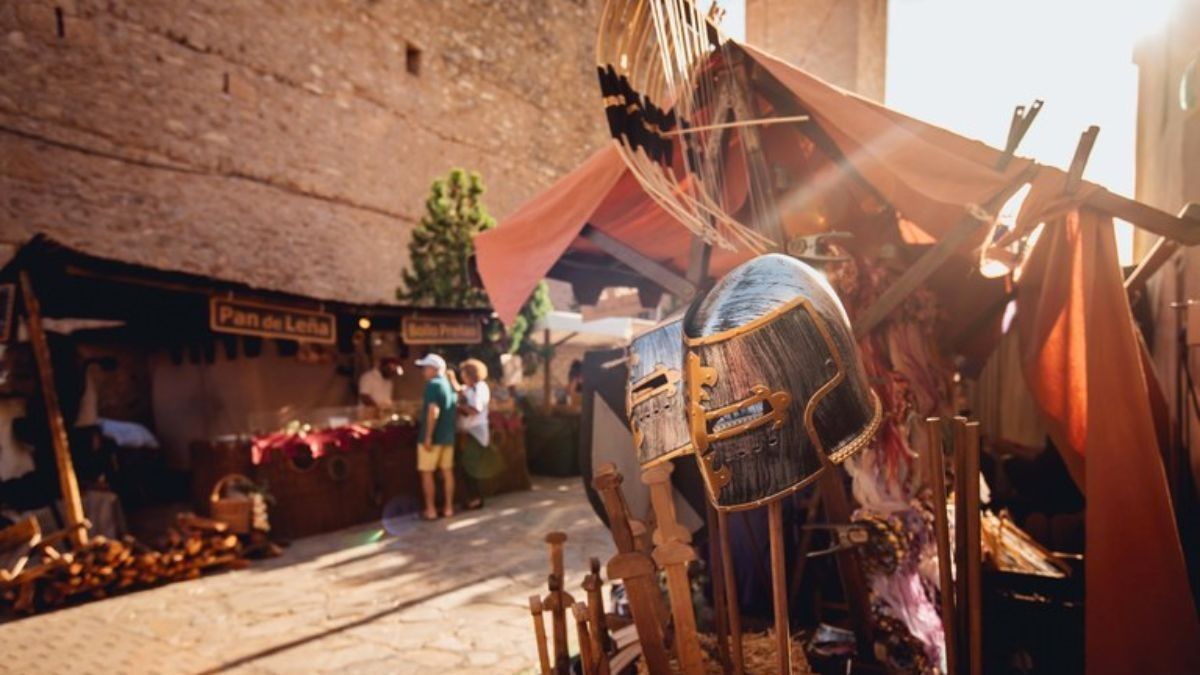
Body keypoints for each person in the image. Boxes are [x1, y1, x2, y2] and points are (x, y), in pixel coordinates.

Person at [415, 354, 456, 520]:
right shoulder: (448, 384)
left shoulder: (432, 385)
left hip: (435, 437)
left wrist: (428, 436)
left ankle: (431, 510)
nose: (423, 371)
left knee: (427, 473)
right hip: (448, 437)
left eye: (426, 368)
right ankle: (448, 508)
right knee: (447, 472)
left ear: (434, 369)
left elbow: (434, 411)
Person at [448, 359, 491, 510]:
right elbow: (461, 390)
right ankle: (472, 498)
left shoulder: (480, 388)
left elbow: (474, 410)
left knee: (471, 469)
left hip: (475, 433)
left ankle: (476, 499)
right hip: (468, 433)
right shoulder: (470, 388)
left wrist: (457, 408)